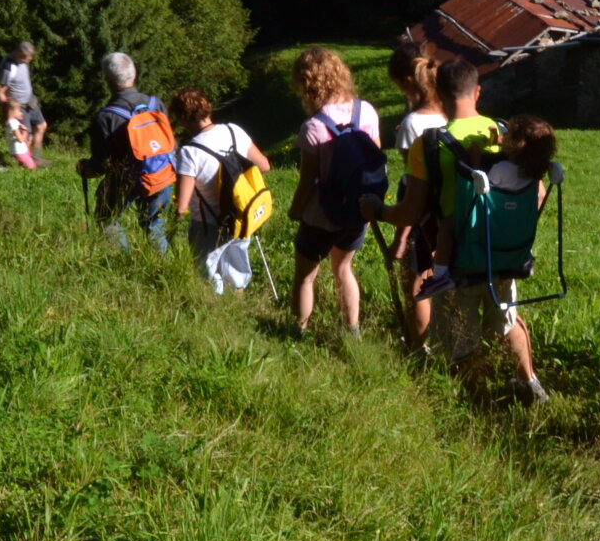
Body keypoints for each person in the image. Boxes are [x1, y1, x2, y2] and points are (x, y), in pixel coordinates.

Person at [366, 61, 545, 400]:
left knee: (460, 336)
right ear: (478, 92)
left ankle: (479, 402)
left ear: (438, 94)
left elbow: (412, 211)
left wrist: (378, 210)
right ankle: (530, 383)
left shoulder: (429, 144)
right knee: (506, 320)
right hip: (502, 253)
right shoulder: (504, 134)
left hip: (457, 255)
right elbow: (535, 194)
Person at [289, 46, 379, 338]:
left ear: (307, 84)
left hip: (321, 215)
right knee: (344, 269)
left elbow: (308, 181)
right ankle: (352, 330)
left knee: (305, 276)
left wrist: (294, 210)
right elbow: (376, 161)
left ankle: (297, 332)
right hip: (357, 210)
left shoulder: (313, 127)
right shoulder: (366, 111)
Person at [384, 45, 447, 344]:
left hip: (421, 218)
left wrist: (400, 237)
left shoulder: (412, 125)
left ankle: (418, 346)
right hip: (448, 212)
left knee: (418, 284)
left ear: (409, 82)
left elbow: (413, 185)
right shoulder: (451, 112)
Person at [78, 52, 172, 252]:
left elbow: (100, 166)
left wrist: (85, 168)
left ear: (107, 80)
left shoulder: (105, 117)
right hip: (160, 174)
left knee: (106, 219)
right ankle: (162, 270)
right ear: (134, 73)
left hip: (125, 179)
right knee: (155, 226)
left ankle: (124, 262)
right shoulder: (156, 104)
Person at [169, 87, 270, 261]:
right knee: (237, 274)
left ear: (183, 119)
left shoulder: (189, 152)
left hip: (208, 225)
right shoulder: (233, 130)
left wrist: (170, 226)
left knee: (208, 276)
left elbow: (181, 205)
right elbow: (264, 165)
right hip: (240, 213)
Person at [0, 41, 48, 162]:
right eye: (26, 58)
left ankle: (37, 157)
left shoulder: (22, 61)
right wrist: (10, 112)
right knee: (26, 136)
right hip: (19, 106)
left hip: (30, 101)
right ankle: (25, 163)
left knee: (41, 126)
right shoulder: (8, 66)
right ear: (19, 54)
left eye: (29, 58)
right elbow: (0, 92)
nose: (28, 61)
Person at [3, 99, 39, 169]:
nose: (21, 113)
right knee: (32, 166)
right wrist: (25, 131)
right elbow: (20, 139)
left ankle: (20, 169)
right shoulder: (13, 123)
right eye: (19, 110)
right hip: (19, 151)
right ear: (11, 111)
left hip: (22, 149)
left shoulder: (13, 122)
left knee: (31, 163)